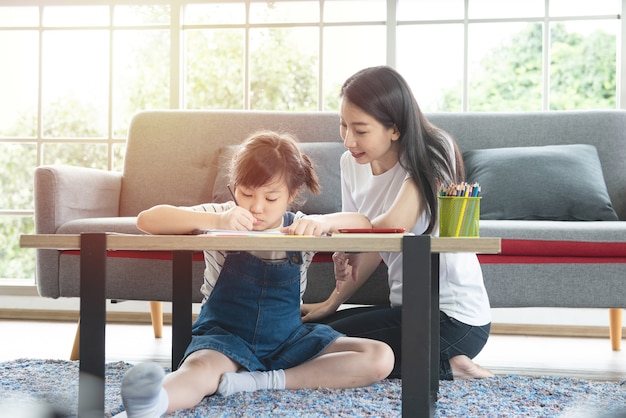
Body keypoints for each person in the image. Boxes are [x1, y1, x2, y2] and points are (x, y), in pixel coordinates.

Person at [116, 130, 394, 417]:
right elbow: (147, 219)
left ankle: (261, 381)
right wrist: (216, 219)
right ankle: (150, 404)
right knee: (199, 370)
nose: (257, 207)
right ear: (233, 188)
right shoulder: (222, 215)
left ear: (292, 194)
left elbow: (363, 223)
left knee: (380, 357)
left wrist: (320, 222)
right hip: (225, 339)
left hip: (290, 340)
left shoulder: (301, 224)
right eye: (246, 194)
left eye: (271, 197)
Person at [300, 66, 494, 381]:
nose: (349, 140)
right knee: (310, 334)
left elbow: (393, 226)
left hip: (453, 319)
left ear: (395, 128)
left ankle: (445, 366)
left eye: (361, 130)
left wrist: (342, 234)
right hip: (404, 310)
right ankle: (440, 364)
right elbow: (372, 246)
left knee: (311, 347)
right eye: (343, 126)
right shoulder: (351, 164)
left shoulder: (434, 150)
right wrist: (330, 302)